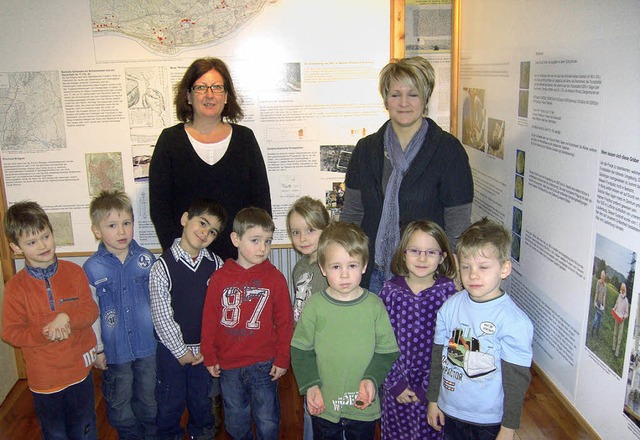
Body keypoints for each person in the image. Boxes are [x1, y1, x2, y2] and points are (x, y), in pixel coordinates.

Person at [341, 56, 473, 292]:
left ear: (425, 98)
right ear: (385, 99)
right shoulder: (365, 150)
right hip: (371, 273)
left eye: (412, 94)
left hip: (426, 279)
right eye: (395, 94)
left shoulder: (448, 151)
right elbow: (352, 214)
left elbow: (457, 222)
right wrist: (344, 264)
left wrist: (457, 271)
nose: (404, 102)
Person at [149, 57, 271, 261]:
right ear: (188, 95)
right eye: (201, 87)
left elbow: (261, 203)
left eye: (217, 87)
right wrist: (180, 257)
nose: (209, 95)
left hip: (240, 261)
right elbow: (160, 207)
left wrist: (253, 251)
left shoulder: (245, 139)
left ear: (226, 96)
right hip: (188, 262)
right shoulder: (170, 141)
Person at [426, 218, 533, 440]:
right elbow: (438, 358)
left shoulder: (514, 321)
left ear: (504, 269)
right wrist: (433, 400)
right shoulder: (450, 307)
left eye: (483, 267)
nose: (473, 274)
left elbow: (516, 380)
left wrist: (508, 428)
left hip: (489, 420)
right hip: (451, 411)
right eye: (466, 267)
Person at [290, 222, 399, 439]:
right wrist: (310, 386)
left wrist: (371, 379)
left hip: (362, 405)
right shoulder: (315, 306)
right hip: (324, 404)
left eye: (352, 265)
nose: (345, 275)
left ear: (364, 266)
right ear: (322, 268)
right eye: (336, 267)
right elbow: (300, 349)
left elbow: (387, 351)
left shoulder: (375, 307)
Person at [1, 201, 99, 439]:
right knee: (55, 432)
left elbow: (90, 310)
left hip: (80, 371)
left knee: (85, 427)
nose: (42, 245)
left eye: (45, 236)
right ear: (15, 247)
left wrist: (66, 317)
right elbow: (10, 332)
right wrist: (43, 333)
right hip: (45, 379)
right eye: (31, 242)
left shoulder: (74, 272)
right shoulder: (15, 287)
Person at [201, 207, 294, 440]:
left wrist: (283, 358)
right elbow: (210, 320)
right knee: (235, 418)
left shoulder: (275, 278)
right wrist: (209, 355)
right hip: (228, 365)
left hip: (263, 364)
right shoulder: (220, 278)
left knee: (267, 418)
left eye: (268, 241)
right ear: (236, 239)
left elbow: (285, 322)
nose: (262, 248)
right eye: (255, 240)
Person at [149, 198, 227, 440]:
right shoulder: (161, 267)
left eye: (212, 231)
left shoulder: (216, 265)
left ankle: (201, 434)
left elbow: (220, 310)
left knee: (202, 402)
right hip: (172, 353)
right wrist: (181, 351)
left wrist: (209, 347)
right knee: (170, 403)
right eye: (202, 223)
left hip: (203, 352)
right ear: (185, 219)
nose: (205, 233)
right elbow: (162, 316)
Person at [83, 190, 157, 439]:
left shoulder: (146, 260)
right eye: (112, 225)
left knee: (149, 399)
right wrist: (98, 349)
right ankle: (129, 435)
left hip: (148, 347)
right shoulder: (92, 268)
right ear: (97, 231)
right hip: (115, 351)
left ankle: (150, 433)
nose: (122, 231)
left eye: (127, 223)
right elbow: (91, 314)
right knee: (119, 401)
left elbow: (160, 302)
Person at [378, 220, 458, 440]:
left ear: (442, 257)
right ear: (403, 253)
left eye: (431, 252)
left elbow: (452, 348)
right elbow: (380, 342)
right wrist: (395, 383)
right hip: (396, 388)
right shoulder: (390, 293)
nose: (422, 258)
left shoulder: (449, 295)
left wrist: (429, 388)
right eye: (415, 251)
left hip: (435, 390)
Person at [286, 196, 332, 440]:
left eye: (310, 230)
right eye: (296, 232)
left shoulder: (331, 267)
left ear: (326, 230)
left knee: (328, 402)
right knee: (309, 404)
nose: (302, 238)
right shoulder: (300, 268)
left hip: (326, 347)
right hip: (305, 347)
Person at [612, 283, 629, 357]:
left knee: (619, 336)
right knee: (615, 333)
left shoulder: (626, 300)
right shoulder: (619, 296)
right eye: (621, 289)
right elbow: (616, 303)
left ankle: (617, 352)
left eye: (623, 289)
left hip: (621, 319)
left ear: (625, 290)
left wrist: (623, 317)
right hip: (617, 316)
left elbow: (627, 313)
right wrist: (614, 308)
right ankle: (613, 347)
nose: (622, 291)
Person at [591, 270, 607, 336]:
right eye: (602, 276)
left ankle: (597, 332)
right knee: (596, 319)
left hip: (601, 305)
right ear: (601, 276)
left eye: (604, 276)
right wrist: (594, 302)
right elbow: (596, 293)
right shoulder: (598, 282)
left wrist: (604, 306)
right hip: (597, 303)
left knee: (600, 321)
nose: (603, 277)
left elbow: (604, 296)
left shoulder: (605, 286)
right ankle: (592, 330)